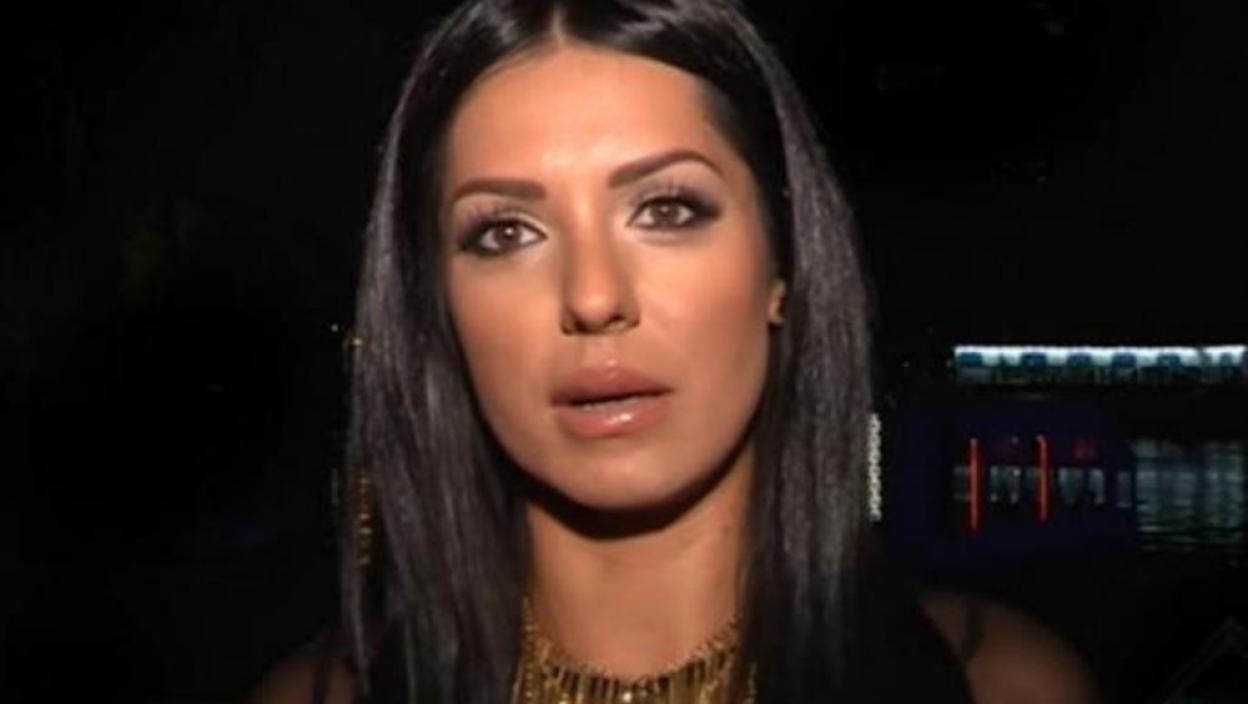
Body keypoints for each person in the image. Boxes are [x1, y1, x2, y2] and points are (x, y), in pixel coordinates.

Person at [252, 1, 1097, 702]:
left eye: (667, 210)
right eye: (506, 232)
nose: (593, 296)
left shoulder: (1000, 686)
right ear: (438, 304)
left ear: (781, 266)